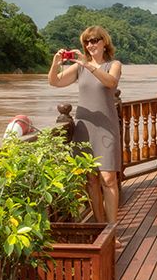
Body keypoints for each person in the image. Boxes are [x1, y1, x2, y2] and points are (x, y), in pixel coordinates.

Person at [48, 26, 123, 239]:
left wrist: (88, 65)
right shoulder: (79, 67)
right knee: (90, 179)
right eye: (87, 42)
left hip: (106, 127)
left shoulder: (113, 64)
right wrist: (55, 64)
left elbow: (111, 82)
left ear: (104, 42)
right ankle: (100, 228)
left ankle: (112, 230)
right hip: (84, 127)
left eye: (95, 40)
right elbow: (54, 82)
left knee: (108, 178)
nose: (90, 45)